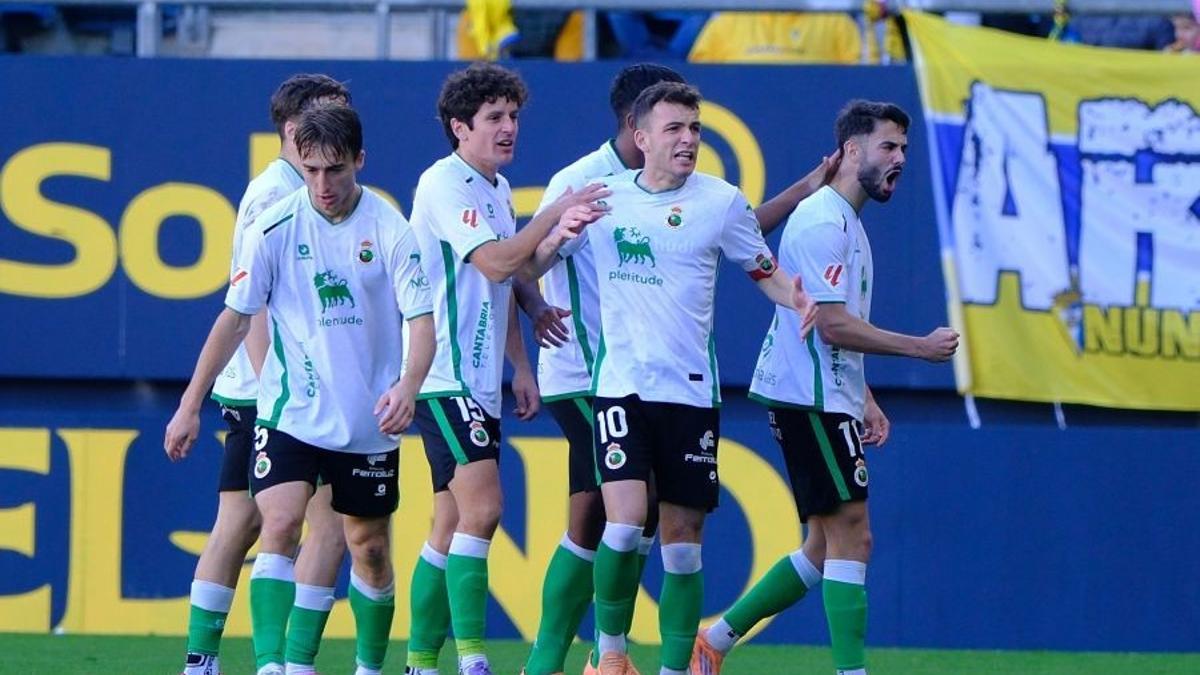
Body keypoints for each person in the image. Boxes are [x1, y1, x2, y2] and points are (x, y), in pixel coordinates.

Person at [521, 62, 840, 675]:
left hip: (692, 393)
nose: (688, 139)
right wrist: (556, 234)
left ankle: (673, 667)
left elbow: (764, 270)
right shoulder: (600, 199)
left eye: (694, 128)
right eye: (674, 129)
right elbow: (529, 270)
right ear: (640, 137)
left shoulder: (720, 203)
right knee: (622, 521)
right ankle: (609, 653)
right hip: (619, 389)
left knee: (684, 545)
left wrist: (797, 297)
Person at [690, 100, 959, 675]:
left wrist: (863, 396)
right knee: (854, 539)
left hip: (822, 395)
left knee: (822, 547)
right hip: (806, 399)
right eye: (889, 147)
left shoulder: (846, 222)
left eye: (905, 149)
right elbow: (830, 323)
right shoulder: (820, 220)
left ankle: (714, 640)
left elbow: (832, 326)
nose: (900, 159)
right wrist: (919, 348)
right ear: (852, 151)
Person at [165, 104, 436, 675]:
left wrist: (409, 386)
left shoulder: (390, 229)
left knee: (368, 547)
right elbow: (235, 318)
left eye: (334, 170)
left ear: (359, 161)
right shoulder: (275, 225)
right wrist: (190, 405)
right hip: (291, 411)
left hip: (368, 420)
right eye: (310, 170)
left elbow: (421, 321)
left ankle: (367, 665)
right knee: (280, 522)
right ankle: (276, 666)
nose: (322, 185)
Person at [404, 62, 604, 675]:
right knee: (484, 510)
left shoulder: (492, 187)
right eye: (494, 117)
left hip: (480, 376)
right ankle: (472, 659)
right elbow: (495, 261)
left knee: (447, 525)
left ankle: (417, 662)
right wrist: (551, 214)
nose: (509, 127)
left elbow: (514, 274)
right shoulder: (444, 183)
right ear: (459, 127)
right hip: (444, 372)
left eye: (513, 116)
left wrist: (529, 338)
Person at [166, 73, 351, 675]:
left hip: (263, 389)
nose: (337, 134)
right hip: (279, 391)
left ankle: (203, 660)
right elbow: (253, 308)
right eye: (328, 119)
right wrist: (282, 390)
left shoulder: (290, 189)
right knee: (319, 523)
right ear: (295, 130)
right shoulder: (279, 198)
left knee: (240, 521)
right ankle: (290, 663)